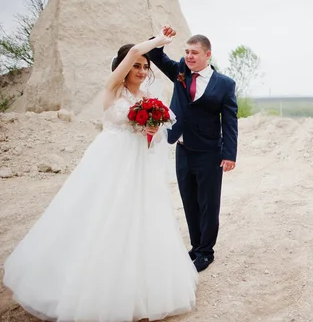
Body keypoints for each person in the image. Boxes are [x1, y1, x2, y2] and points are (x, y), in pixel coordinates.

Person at [2, 28, 198, 322]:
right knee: (98, 216)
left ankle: (137, 290)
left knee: (139, 220)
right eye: (137, 65)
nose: (142, 71)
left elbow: (155, 136)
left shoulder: (148, 98)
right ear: (123, 66)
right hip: (109, 161)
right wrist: (158, 42)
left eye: (146, 67)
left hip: (138, 167)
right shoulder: (112, 89)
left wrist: (153, 131)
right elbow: (132, 52)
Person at [148, 30, 238, 272]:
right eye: (186, 52)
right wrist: (160, 38)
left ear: (207, 55)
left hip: (209, 152)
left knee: (208, 203)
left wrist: (229, 154)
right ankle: (196, 246)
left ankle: (206, 252)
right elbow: (154, 54)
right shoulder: (180, 71)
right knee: (189, 201)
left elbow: (229, 121)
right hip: (182, 148)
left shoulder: (225, 84)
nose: (189, 56)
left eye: (194, 53)